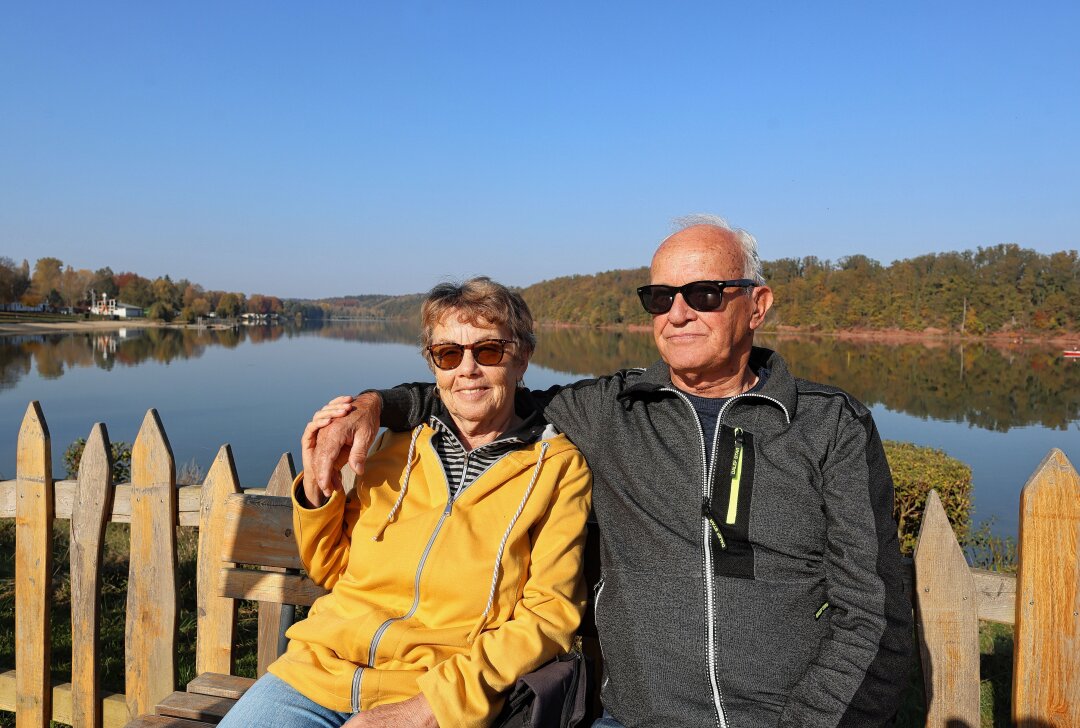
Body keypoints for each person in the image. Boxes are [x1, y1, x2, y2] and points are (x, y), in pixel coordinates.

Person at [310, 216, 913, 728]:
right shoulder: (612, 410)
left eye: (704, 293)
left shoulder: (828, 425)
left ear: (757, 304)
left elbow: (874, 618)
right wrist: (372, 405)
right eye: (660, 297)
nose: (677, 313)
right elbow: (478, 390)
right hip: (632, 719)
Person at [220, 277, 592, 728]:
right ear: (433, 365)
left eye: (489, 351)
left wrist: (427, 709)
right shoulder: (396, 445)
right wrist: (321, 484)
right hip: (316, 674)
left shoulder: (556, 467)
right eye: (449, 354)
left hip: (437, 693)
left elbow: (549, 617)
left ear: (522, 359)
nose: (467, 369)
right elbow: (332, 570)